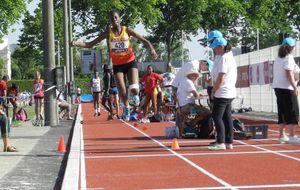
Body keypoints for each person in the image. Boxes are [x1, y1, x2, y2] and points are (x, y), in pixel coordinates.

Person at [71, 10, 157, 121]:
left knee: (135, 89)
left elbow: (143, 40)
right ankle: (126, 107)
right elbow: (90, 44)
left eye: (116, 17)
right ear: (110, 21)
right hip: (118, 65)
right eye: (112, 19)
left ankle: (134, 96)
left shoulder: (127, 30)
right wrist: (76, 43)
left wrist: (152, 49)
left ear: (119, 19)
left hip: (130, 62)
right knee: (122, 90)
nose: (114, 20)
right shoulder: (108, 33)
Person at [208, 37, 237, 150]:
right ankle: (229, 141)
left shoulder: (224, 58)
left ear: (220, 47)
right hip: (229, 91)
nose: (214, 50)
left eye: (215, 48)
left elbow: (221, 76)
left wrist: (214, 90)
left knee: (217, 116)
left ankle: (221, 142)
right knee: (227, 117)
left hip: (223, 92)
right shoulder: (230, 56)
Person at [272, 37, 300, 144]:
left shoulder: (278, 58)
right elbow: (289, 74)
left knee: (282, 111)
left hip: (278, 87)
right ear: (290, 47)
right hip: (287, 87)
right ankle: (292, 135)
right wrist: (294, 86)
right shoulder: (289, 58)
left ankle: (281, 135)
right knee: (293, 110)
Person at [176, 69, 210, 137]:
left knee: (201, 111)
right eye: (196, 77)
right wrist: (198, 94)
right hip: (188, 106)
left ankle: (193, 123)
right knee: (208, 112)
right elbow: (195, 94)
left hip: (181, 106)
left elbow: (192, 94)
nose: (196, 79)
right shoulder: (188, 82)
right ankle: (194, 123)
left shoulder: (183, 81)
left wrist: (197, 94)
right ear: (192, 76)